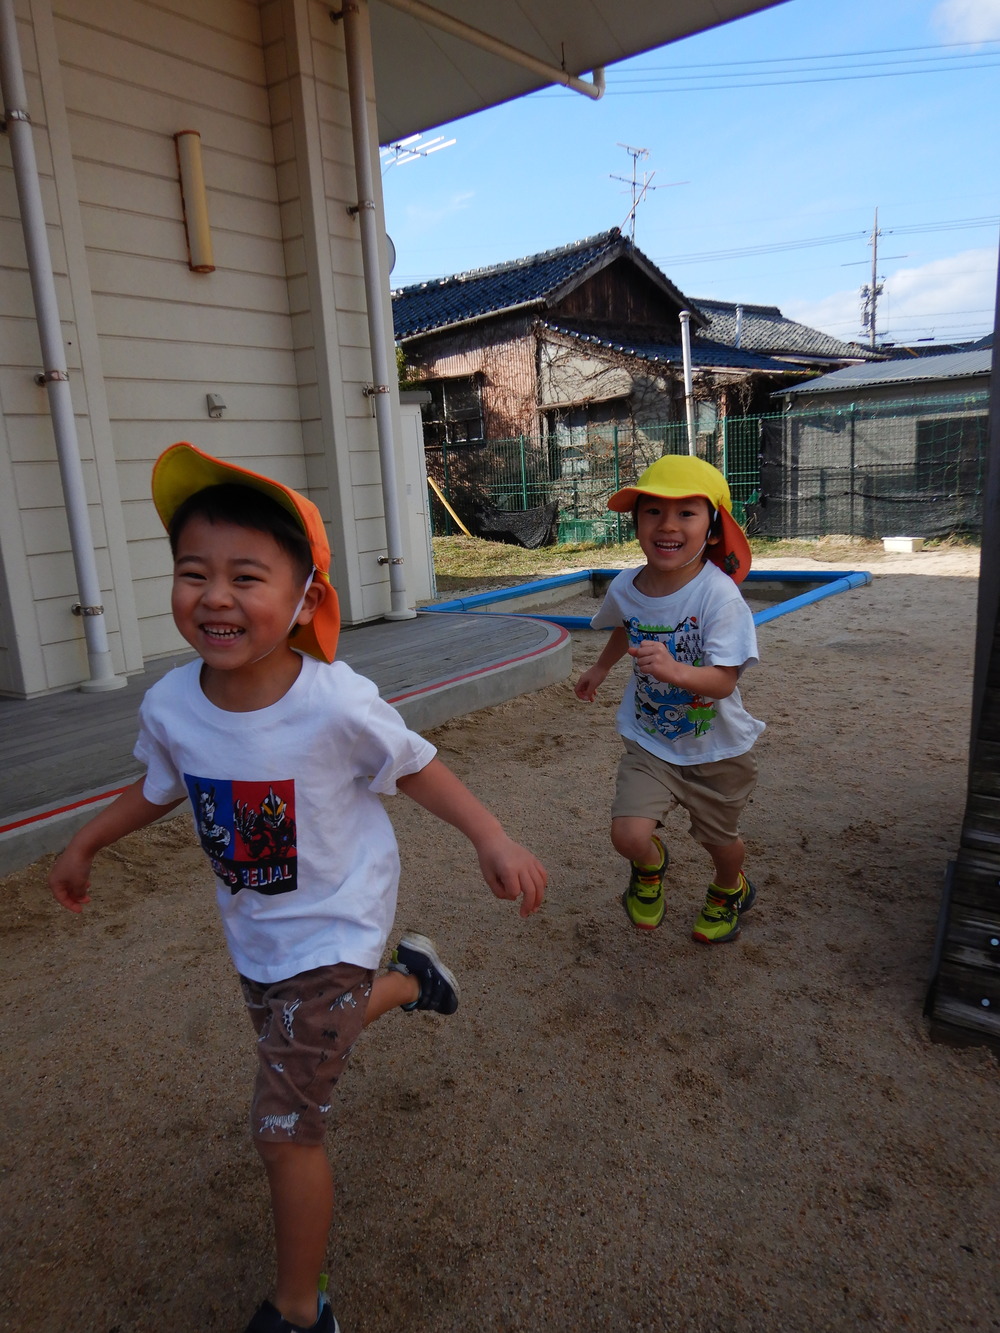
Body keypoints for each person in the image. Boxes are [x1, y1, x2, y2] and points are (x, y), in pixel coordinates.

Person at [49, 442, 547, 1333]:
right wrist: (84, 841)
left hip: (337, 925)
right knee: (313, 1034)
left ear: (306, 597)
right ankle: (414, 979)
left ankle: (298, 1308)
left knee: (285, 1126)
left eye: (247, 575)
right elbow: (156, 787)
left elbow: (417, 765)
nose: (216, 596)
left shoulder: (333, 702)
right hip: (261, 936)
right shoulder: (170, 704)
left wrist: (491, 835)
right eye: (193, 573)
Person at [574, 454, 764, 945]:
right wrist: (601, 667)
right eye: (653, 511)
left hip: (716, 750)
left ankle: (730, 887)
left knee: (720, 842)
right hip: (651, 740)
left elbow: (723, 681)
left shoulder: (718, 597)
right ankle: (651, 866)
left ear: (714, 525)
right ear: (636, 521)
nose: (667, 525)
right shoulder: (626, 585)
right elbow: (626, 626)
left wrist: (674, 669)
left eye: (686, 513)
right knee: (628, 835)